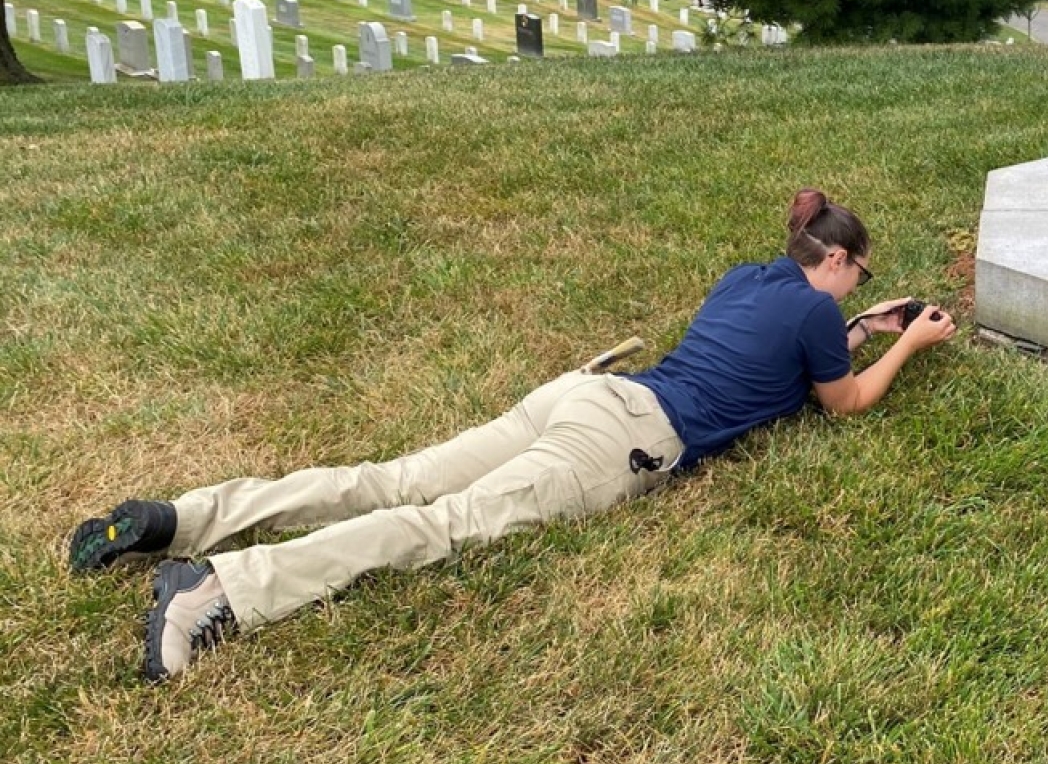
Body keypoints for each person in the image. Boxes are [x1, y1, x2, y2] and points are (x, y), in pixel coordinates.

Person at [67, 188, 957, 682]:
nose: (856, 289)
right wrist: (908, 342)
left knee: (391, 478)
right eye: (860, 275)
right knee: (440, 526)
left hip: (580, 393)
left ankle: (181, 518)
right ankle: (219, 587)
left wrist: (863, 326)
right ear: (835, 260)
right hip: (628, 441)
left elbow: (777, 357)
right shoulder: (813, 311)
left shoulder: (747, 279)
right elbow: (844, 403)